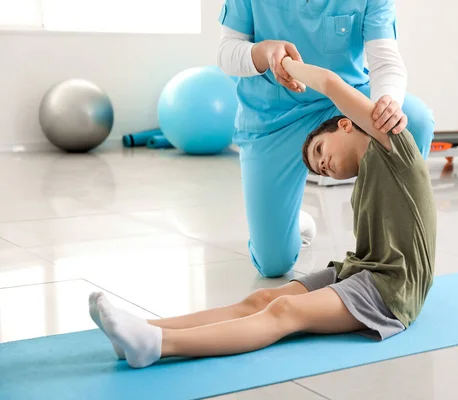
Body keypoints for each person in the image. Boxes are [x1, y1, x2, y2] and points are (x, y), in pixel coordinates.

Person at [87, 57, 436, 369]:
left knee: (285, 312)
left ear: (345, 124)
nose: (324, 165)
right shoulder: (368, 179)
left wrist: (284, 66)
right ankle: (144, 330)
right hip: (362, 271)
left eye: (320, 152)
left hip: (393, 287)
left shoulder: (393, 144)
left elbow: (331, 85)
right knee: (263, 298)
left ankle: (158, 346)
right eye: (320, 168)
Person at [217, 0, 435, 277]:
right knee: (273, 264)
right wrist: (263, 51)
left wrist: (385, 106)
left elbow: (385, 61)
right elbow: (226, 53)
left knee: (412, 119)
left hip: (340, 102)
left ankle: (397, 240)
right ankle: (294, 222)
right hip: (270, 118)